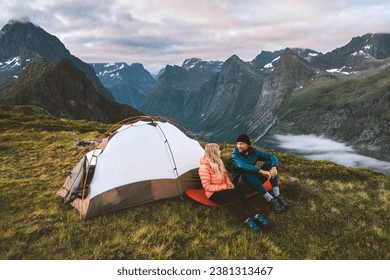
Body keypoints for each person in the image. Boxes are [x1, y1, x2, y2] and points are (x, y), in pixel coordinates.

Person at [198, 143, 269, 231]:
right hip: (213, 194)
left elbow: (225, 177)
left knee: (238, 191)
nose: (220, 152)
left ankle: (255, 214)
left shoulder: (219, 162)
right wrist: (225, 186)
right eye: (218, 150)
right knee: (235, 193)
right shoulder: (204, 168)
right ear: (213, 153)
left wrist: (229, 184)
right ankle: (246, 219)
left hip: (224, 189)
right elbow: (207, 187)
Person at [231, 134, 289, 213]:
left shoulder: (254, 152)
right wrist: (261, 171)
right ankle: (271, 200)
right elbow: (241, 166)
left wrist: (274, 167)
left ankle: (278, 196)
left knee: (270, 164)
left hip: (254, 182)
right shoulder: (235, 154)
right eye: (237, 143)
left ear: (248, 145)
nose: (239, 146)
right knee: (247, 173)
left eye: (242, 144)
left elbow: (271, 156)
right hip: (241, 184)